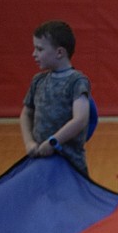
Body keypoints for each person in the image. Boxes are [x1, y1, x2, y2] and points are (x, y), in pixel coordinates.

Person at [20, 20, 92, 174]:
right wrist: (29, 143)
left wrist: (54, 142)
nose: (34, 54)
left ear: (59, 52)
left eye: (39, 49)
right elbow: (26, 113)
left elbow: (80, 119)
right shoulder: (38, 81)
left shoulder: (77, 82)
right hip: (41, 162)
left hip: (71, 166)